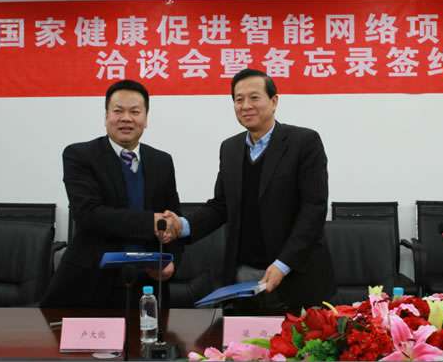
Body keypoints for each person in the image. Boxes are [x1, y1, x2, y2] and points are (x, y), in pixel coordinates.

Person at [163, 68, 334, 311]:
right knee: (244, 335)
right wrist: (182, 225)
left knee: (300, 336)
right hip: (244, 278)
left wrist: (283, 264)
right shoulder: (230, 148)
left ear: (274, 101)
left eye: (254, 97)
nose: (245, 106)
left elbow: (313, 210)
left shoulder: (304, 142)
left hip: (296, 275)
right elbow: (221, 205)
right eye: (238, 99)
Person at [41, 79, 182, 308]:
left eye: (135, 111)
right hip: (91, 282)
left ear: (146, 118)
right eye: (118, 111)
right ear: (106, 116)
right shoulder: (80, 155)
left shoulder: (162, 161)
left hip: (147, 285)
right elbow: (89, 214)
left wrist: (172, 262)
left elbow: (173, 217)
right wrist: (151, 222)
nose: (126, 118)